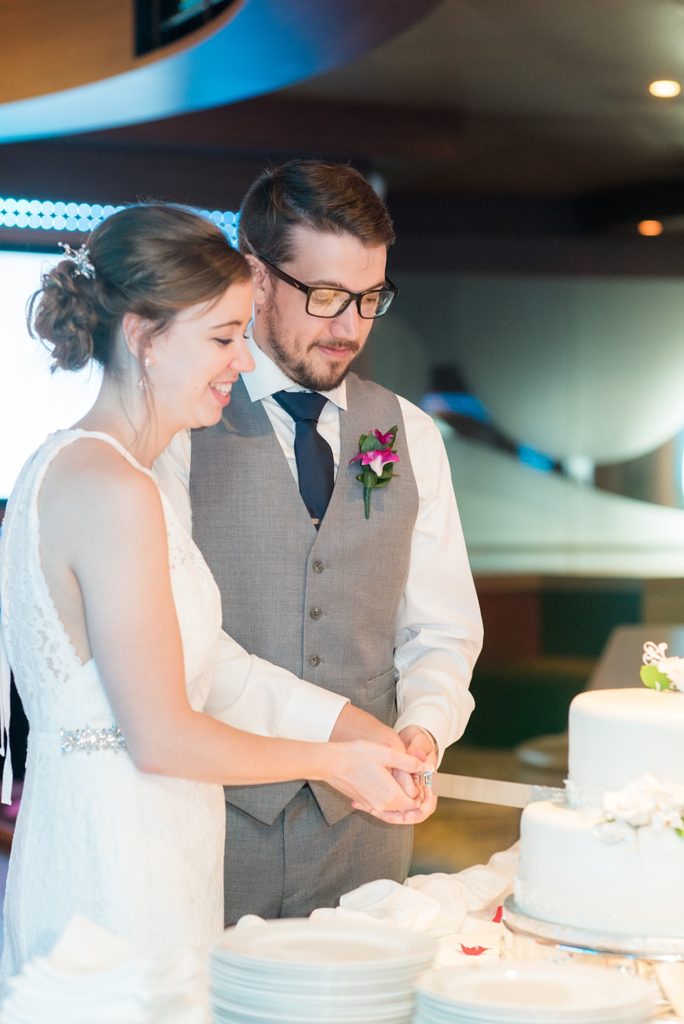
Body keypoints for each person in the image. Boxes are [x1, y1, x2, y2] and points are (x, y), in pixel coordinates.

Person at [0, 203, 429, 986]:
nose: (239, 362)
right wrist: (331, 762)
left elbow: (197, 669)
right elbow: (162, 737)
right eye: (224, 337)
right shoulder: (111, 488)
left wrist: (348, 728)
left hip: (146, 844)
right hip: (119, 869)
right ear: (142, 336)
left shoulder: (82, 470)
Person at [157, 160, 484, 924]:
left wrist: (422, 731)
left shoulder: (411, 433)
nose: (351, 327)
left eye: (371, 298)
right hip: (211, 825)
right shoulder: (175, 422)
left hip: (366, 839)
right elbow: (184, 646)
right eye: (327, 296)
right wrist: (340, 733)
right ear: (256, 277)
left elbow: (441, 626)